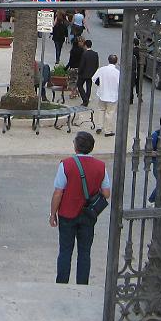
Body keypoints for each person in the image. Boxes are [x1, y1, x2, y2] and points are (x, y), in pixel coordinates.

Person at [50, 131, 111, 285]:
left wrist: (52, 214)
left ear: (76, 147)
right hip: (88, 215)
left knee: (65, 251)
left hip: (67, 214)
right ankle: (83, 285)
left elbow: (58, 192)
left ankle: (62, 284)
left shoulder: (66, 164)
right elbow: (106, 193)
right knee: (84, 252)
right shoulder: (100, 166)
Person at [93, 55, 120, 137]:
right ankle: (107, 130)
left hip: (102, 94)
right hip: (112, 96)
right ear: (116, 61)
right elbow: (120, 83)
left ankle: (99, 126)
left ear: (108, 60)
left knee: (101, 110)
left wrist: (100, 84)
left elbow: (94, 78)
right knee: (110, 113)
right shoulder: (117, 72)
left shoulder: (102, 69)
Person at [76, 40, 99, 107]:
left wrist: (79, 71)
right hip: (91, 74)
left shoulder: (84, 54)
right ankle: (87, 99)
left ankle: (85, 99)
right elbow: (96, 65)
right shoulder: (95, 54)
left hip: (83, 74)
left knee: (79, 85)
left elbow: (82, 64)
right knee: (88, 87)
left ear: (85, 45)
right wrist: (94, 72)